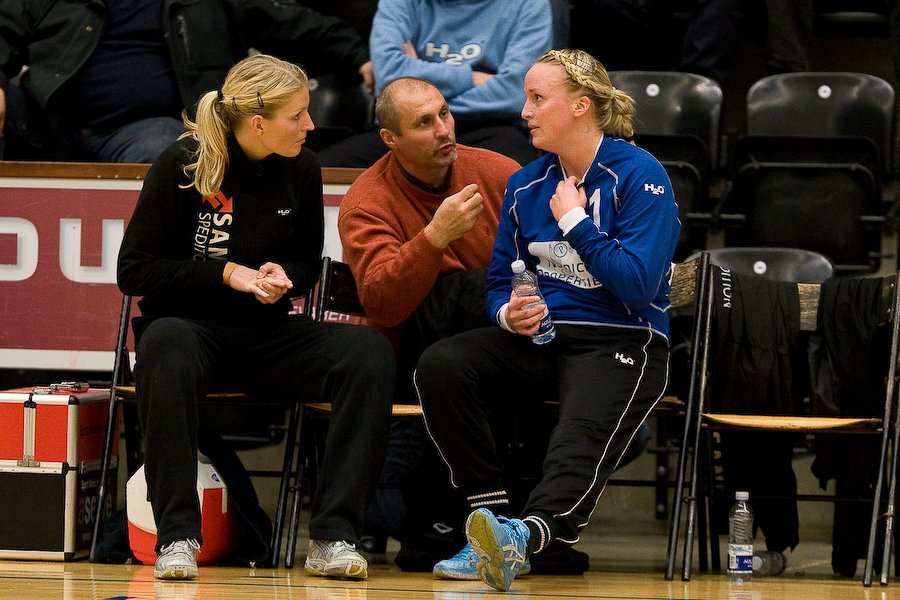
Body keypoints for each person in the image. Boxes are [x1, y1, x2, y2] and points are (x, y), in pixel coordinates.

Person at [117, 53, 394, 581]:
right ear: (258, 122)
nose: (311, 125)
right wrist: (225, 274)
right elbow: (136, 271)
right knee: (164, 344)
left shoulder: (303, 167)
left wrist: (280, 275)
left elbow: (306, 265)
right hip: (189, 332)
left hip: (266, 334)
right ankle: (176, 537)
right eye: (298, 116)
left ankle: (334, 536)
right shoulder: (183, 164)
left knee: (367, 353)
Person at [414, 48, 681, 591]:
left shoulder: (640, 175)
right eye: (526, 98)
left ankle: (526, 536)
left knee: (578, 434)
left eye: (538, 99)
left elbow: (638, 285)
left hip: (621, 336)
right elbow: (497, 283)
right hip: (545, 337)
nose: (525, 111)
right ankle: (487, 523)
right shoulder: (525, 185)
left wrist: (577, 223)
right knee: (442, 365)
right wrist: (510, 314)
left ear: (582, 105)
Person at [336, 76, 520, 571]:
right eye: (424, 123)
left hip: (505, 338)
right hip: (417, 349)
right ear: (390, 140)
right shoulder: (367, 200)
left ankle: (515, 531)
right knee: (465, 294)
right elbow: (383, 304)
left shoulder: (499, 172)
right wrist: (433, 237)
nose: (443, 130)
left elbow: (543, 264)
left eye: (444, 113)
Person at [0, 0, 373, 163]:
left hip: (148, 128)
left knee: (175, 151)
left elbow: (283, 20)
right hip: (47, 118)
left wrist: (360, 54)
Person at [316, 0, 552, 168]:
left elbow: (515, 93)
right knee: (321, 171)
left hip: (490, 129)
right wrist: (471, 77)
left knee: (518, 176)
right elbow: (388, 77)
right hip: (405, 127)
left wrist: (415, 76)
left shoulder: (528, 4)